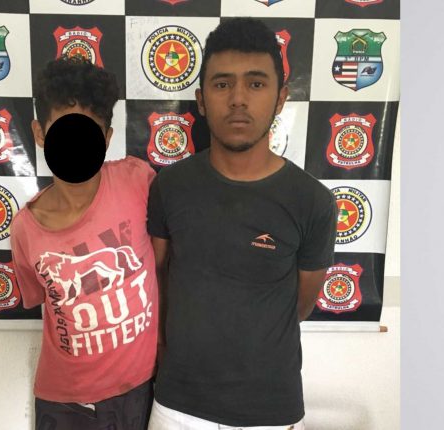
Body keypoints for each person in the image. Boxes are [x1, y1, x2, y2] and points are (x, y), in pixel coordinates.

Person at [146, 18, 337, 429]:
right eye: (222, 84)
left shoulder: (313, 201)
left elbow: (300, 304)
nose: (237, 99)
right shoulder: (169, 186)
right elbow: (158, 278)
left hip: (270, 412)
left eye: (255, 83)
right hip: (177, 407)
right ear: (201, 100)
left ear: (281, 97)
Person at [9, 57, 158, 430]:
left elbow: (163, 259)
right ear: (40, 133)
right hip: (66, 403)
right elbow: (40, 300)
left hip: (141, 389)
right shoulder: (26, 229)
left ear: (106, 138)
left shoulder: (137, 181)